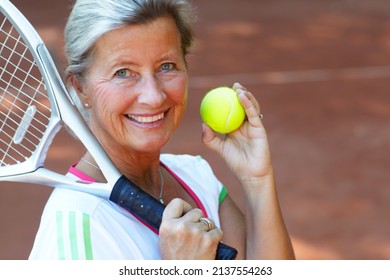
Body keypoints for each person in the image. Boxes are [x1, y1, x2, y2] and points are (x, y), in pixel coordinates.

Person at [29, 0, 295, 260]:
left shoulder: (194, 175)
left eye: (166, 66)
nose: (154, 96)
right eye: (123, 72)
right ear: (80, 87)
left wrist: (257, 181)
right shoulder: (76, 228)